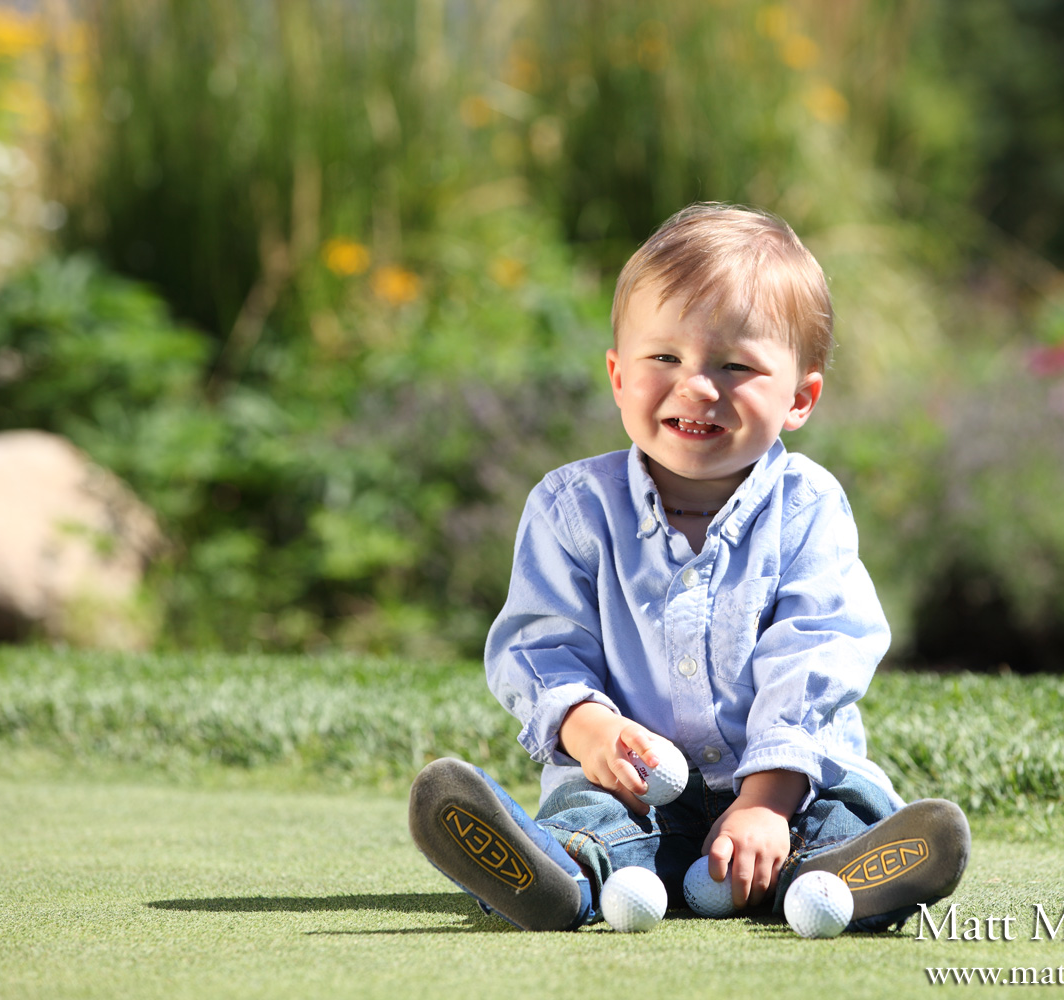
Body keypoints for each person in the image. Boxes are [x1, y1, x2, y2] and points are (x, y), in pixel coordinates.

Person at [409, 203, 969, 932]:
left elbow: (819, 648)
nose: (697, 386)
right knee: (593, 813)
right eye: (664, 358)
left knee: (843, 808)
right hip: (638, 791)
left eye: (735, 366)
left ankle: (833, 876)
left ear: (800, 396)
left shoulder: (807, 507)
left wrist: (765, 800)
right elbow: (540, 647)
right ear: (617, 375)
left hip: (788, 787)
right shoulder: (572, 508)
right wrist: (587, 730)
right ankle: (561, 874)